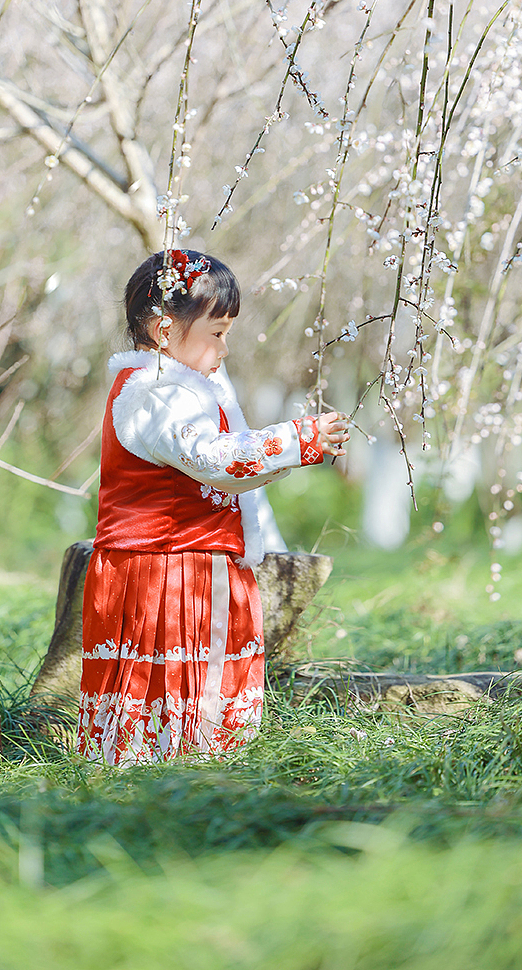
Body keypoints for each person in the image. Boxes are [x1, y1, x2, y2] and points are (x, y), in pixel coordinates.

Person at [76, 249, 349, 766]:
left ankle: (166, 780)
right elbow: (214, 460)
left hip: (176, 562)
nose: (225, 348)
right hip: (170, 569)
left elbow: (227, 469)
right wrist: (297, 439)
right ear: (163, 330)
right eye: (217, 332)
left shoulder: (177, 388)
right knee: (180, 684)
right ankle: (186, 780)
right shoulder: (158, 394)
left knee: (171, 686)